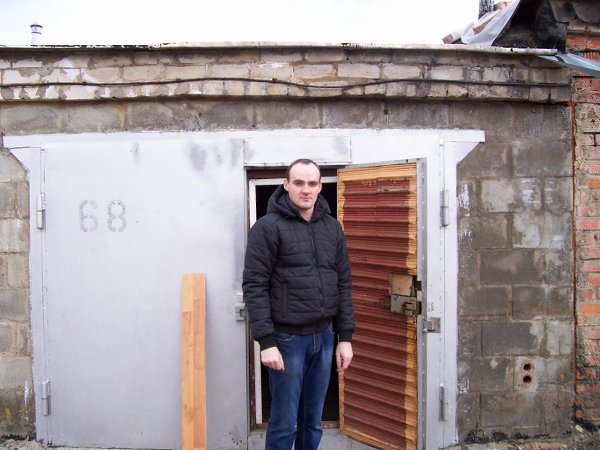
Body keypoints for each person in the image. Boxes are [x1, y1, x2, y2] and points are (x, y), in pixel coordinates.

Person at [243, 158, 355, 450]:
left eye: (312, 183)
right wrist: (266, 342)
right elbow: (255, 285)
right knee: (284, 421)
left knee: (312, 420)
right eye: (299, 183)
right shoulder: (267, 228)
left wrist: (345, 338)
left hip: (325, 337)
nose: (306, 189)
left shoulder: (332, 227)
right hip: (287, 340)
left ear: (320, 187)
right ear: (286, 185)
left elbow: (343, 283)